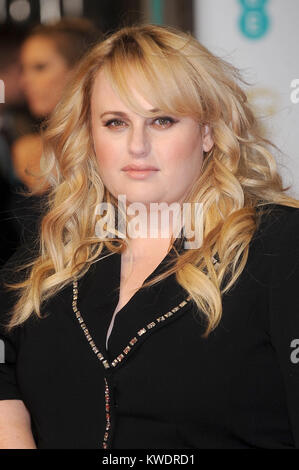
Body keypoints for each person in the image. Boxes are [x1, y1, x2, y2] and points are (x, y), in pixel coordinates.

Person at [0, 23, 299, 449]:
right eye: (115, 122)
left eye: (162, 120)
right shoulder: (58, 251)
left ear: (209, 132)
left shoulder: (278, 246)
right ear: (90, 134)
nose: (137, 145)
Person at [12, 18, 102, 191]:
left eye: (40, 67)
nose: (24, 82)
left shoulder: (105, 144)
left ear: (79, 70)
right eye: (23, 69)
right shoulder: (25, 146)